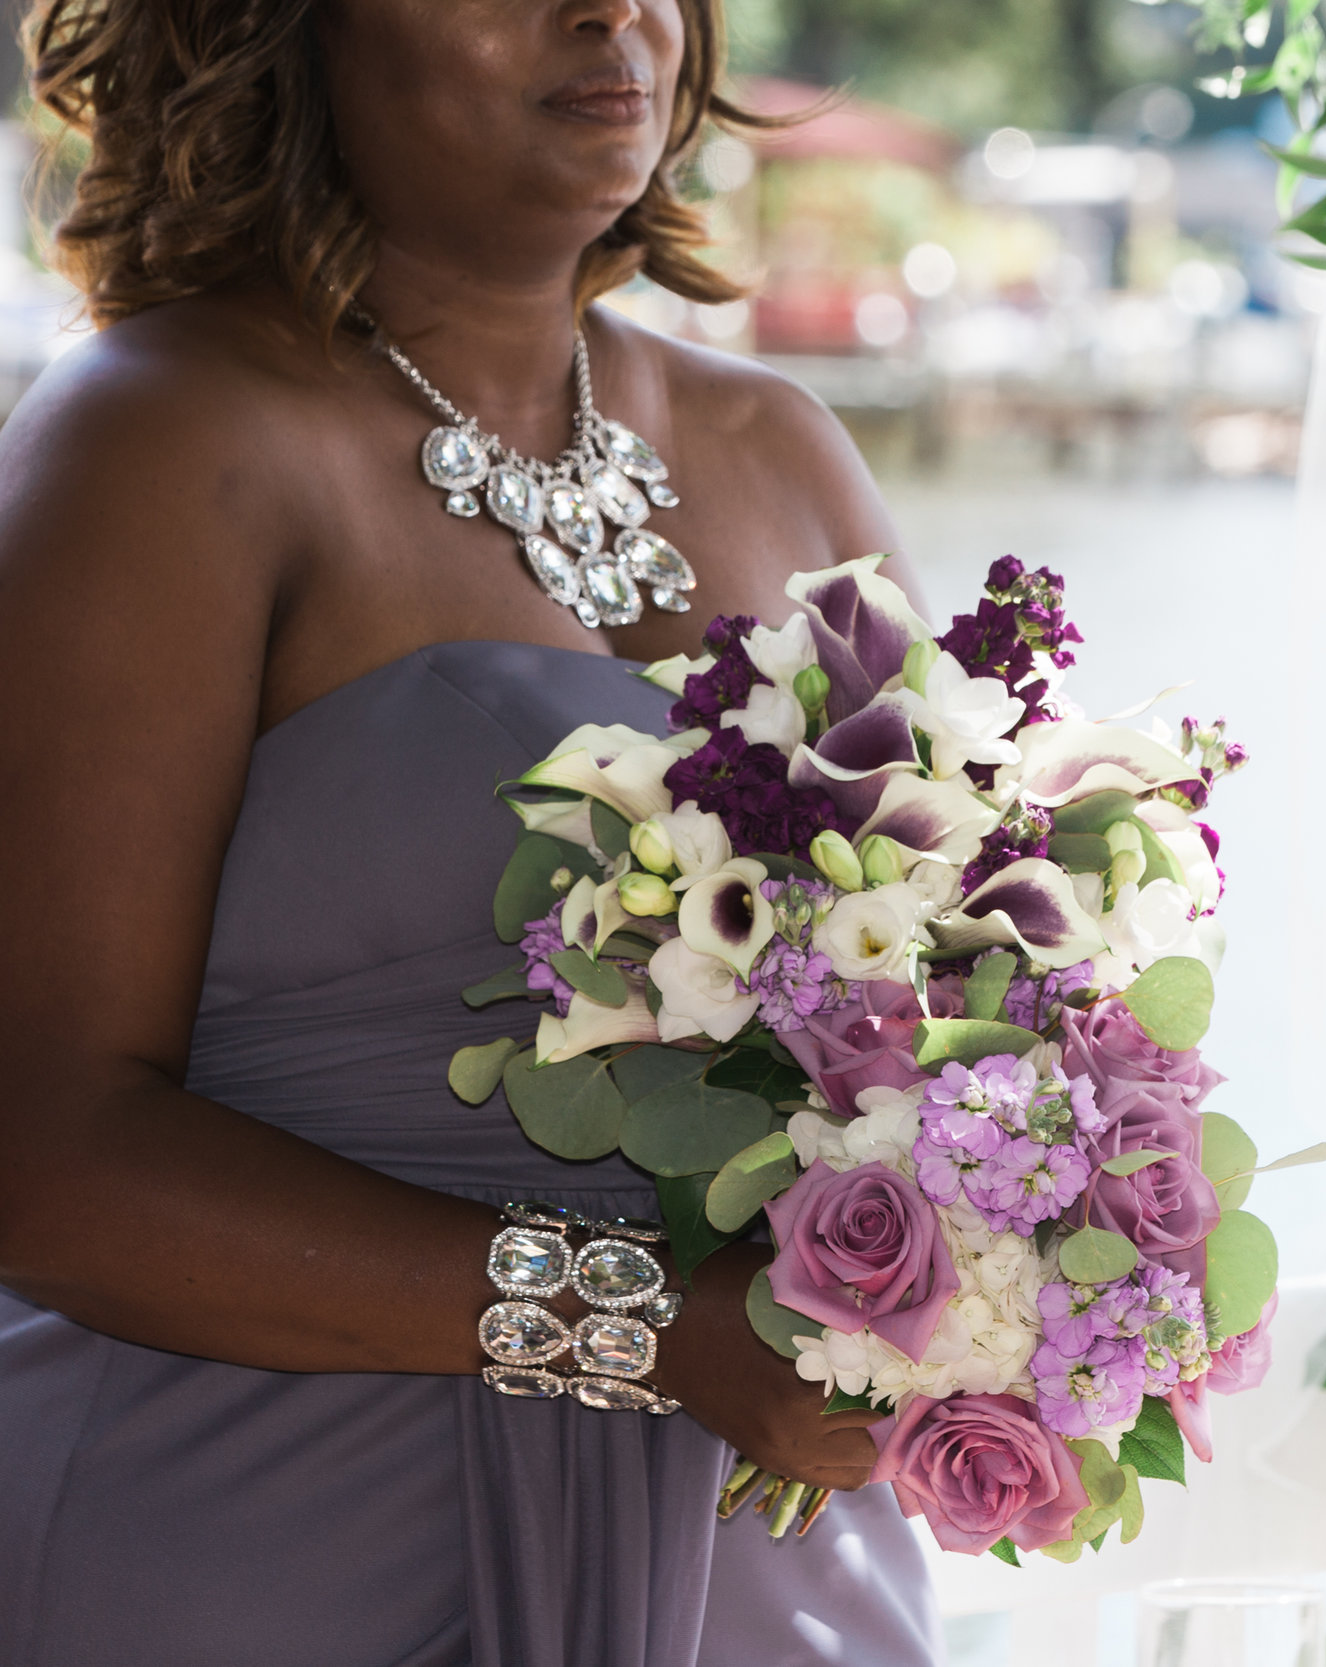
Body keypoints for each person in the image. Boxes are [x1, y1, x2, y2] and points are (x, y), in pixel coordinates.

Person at [0, 1, 943, 1662]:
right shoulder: (161, 442)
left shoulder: (786, 457)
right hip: (276, 1541)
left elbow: (952, 1016)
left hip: (761, 1559)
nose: (615, 10)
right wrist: (645, 1328)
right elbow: (40, 1148)